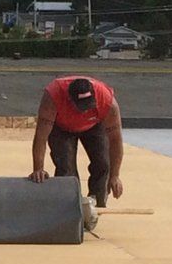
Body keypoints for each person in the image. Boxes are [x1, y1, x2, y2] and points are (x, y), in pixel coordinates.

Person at [29, 75, 124, 207]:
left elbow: (115, 141)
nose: (84, 111)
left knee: (103, 164)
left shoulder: (107, 101)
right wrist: (38, 169)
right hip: (61, 128)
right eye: (81, 107)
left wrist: (115, 176)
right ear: (69, 99)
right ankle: (69, 206)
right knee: (66, 169)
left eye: (88, 106)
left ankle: (97, 205)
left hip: (94, 125)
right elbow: (41, 137)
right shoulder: (53, 97)